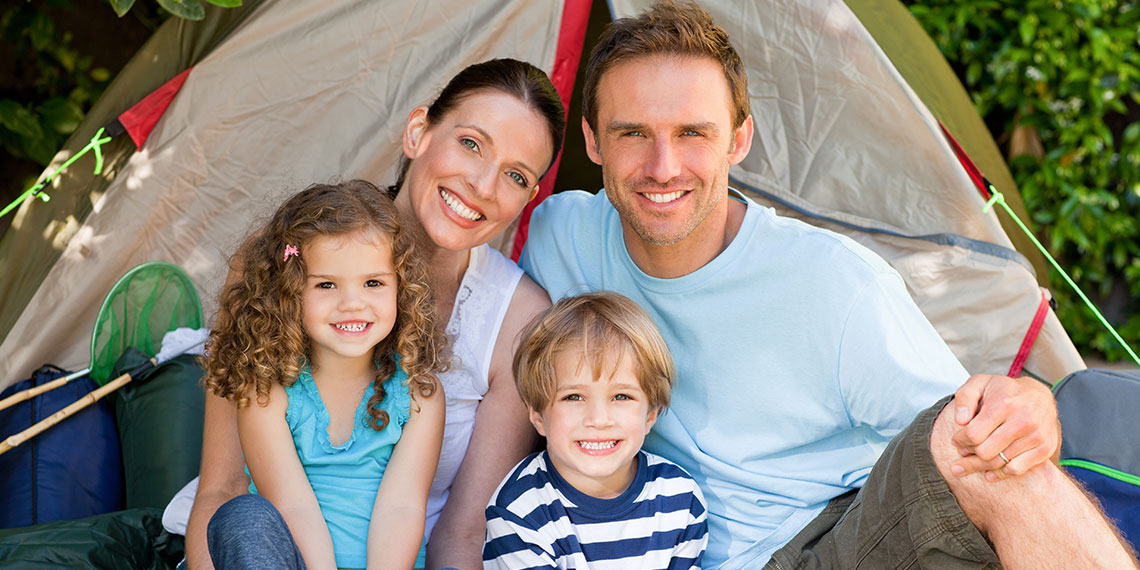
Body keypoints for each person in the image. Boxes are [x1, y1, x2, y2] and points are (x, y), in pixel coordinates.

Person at [520, 1, 1138, 568]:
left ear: (739, 140)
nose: (663, 167)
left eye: (692, 133)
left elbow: (973, 419)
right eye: (634, 133)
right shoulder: (556, 234)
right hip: (657, 543)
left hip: (824, 541)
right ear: (592, 142)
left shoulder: (832, 283)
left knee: (987, 457)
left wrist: (1031, 406)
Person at [182, 58, 564, 569]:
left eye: (516, 176)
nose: (484, 185)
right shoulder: (282, 257)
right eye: (471, 143)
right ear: (417, 132)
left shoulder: (519, 320)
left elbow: (467, 530)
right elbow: (224, 487)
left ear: (528, 199)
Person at [203, 181, 447, 568]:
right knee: (241, 518)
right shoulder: (268, 392)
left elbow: (403, 507)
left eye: (373, 283)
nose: (352, 303)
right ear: (289, 292)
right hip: (298, 563)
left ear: (401, 289)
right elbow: (291, 504)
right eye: (327, 285)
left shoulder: (419, 392)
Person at [483, 292, 707, 569]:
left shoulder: (679, 499)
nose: (599, 419)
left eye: (621, 397)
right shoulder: (519, 511)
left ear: (650, 414)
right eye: (574, 397)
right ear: (538, 415)